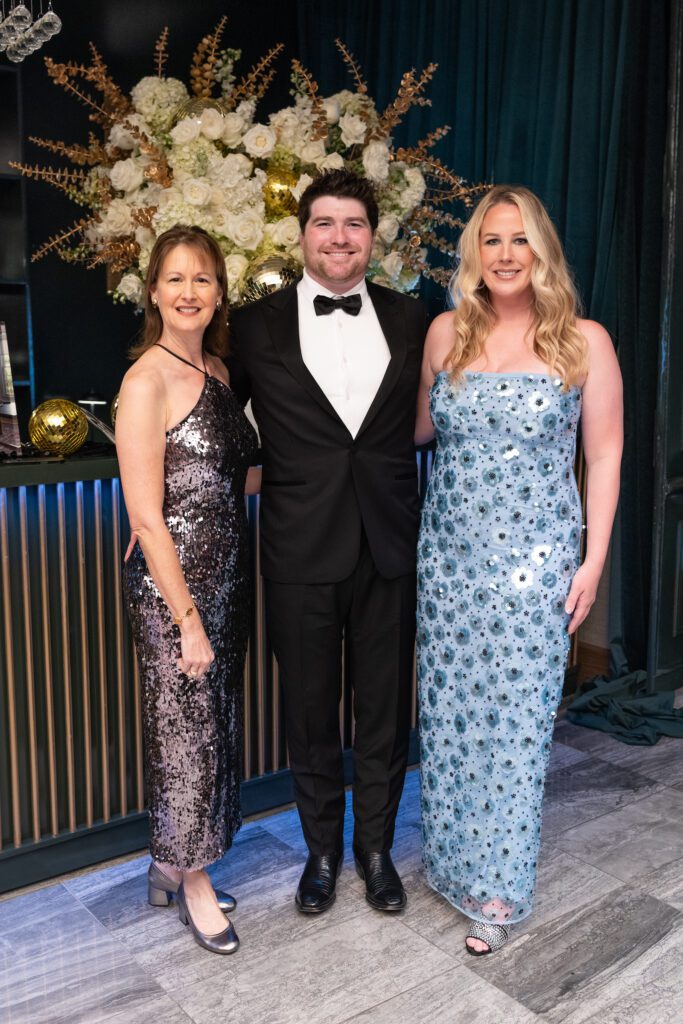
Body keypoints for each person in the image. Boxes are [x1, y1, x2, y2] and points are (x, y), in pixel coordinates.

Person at [415, 185, 623, 955]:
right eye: (491, 240)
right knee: (450, 720)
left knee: (514, 729)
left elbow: (604, 455)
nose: (505, 254)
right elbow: (416, 433)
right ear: (474, 253)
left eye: (519, 239)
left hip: (535, 570)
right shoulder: (445, 333)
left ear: (542, 251)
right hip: (448, 564)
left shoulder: (583, 341)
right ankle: (449, 864)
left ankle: (496, 888)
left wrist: (591, 561)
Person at [229, 169, 426, 914]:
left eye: (353, 224)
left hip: (388, 543)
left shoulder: (414, 318)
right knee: (309, 713)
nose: (339, 238)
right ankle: (320, 853)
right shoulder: (253, 325)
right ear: (302, 233)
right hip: (299, 547)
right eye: (324, 223)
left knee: (384, 710)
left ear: (373, 237)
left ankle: (375, 850)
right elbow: (214, 424)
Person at [116, 225, 259, 955]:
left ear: (220, 292)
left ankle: (167, 866)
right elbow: (146, 517)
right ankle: (194, 882)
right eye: (174, 278)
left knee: (215, 729)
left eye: (202, 278)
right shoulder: (145, 381)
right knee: (185, 739)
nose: (189, 292)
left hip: (228, 578)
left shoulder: (220, 371)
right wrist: (188, 619)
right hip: (175, 595)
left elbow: (235, 478)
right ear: (152, 292)